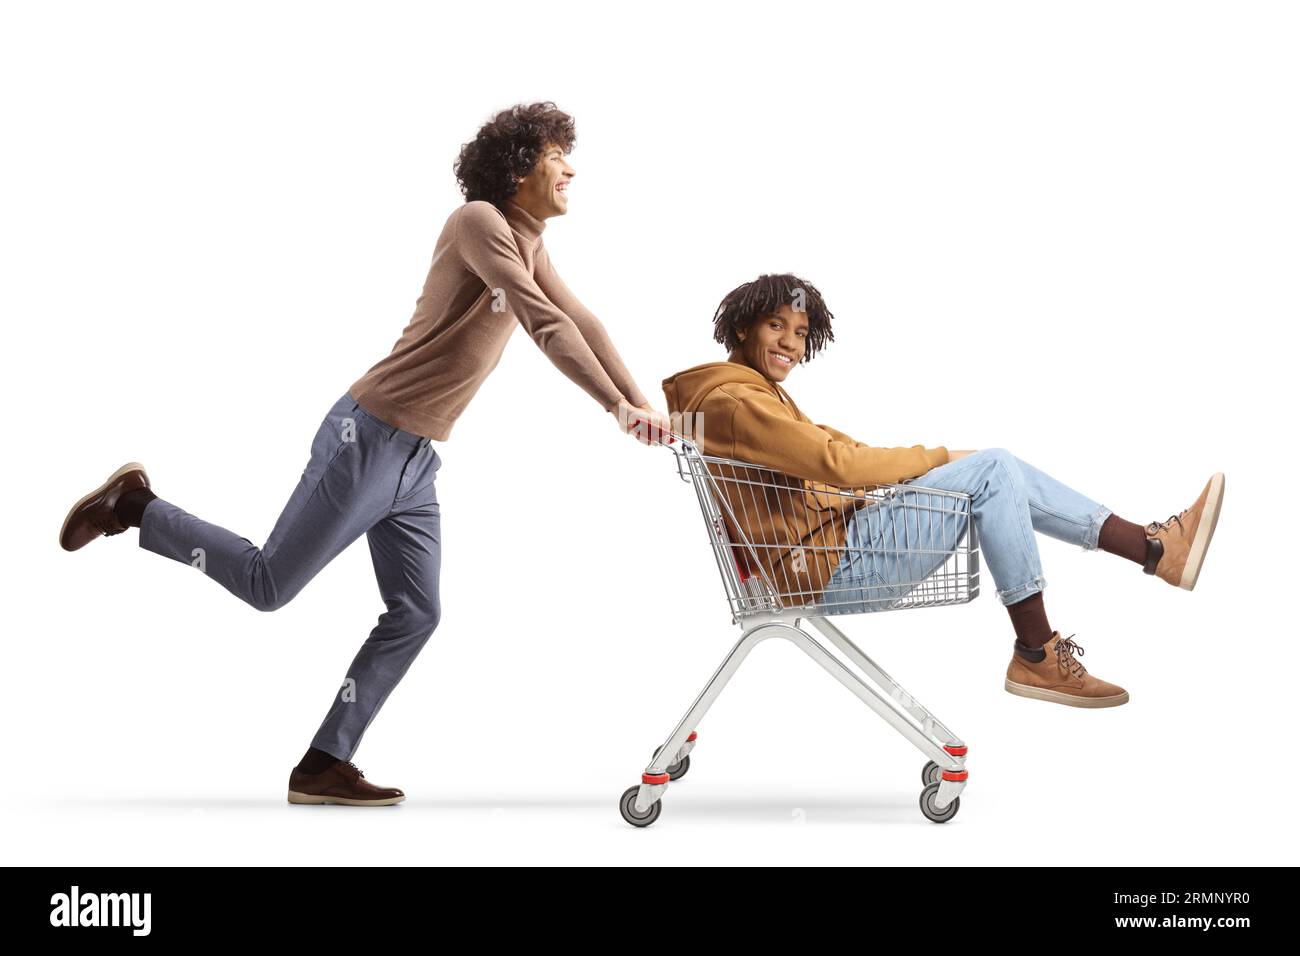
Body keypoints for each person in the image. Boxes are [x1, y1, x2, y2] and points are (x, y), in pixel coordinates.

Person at [58, 102, 671, 805]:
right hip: (369, 438)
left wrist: (638, 404)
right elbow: (542, 321)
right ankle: (135, 506)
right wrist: (613, 407)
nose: (570, 167)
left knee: (417, 611)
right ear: (516, 168)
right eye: (556, 153)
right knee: (268, 587)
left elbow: (580, 317)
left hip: (416, 462)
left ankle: (322, 764)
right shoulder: (478, 222)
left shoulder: (528, 241)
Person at [661, 273, 1224, 708]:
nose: (791, 343)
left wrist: (947, 459)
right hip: (834, 566)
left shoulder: (752, 395)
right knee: (994, 468)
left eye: (802, 334)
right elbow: (837, 463)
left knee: (992, 466)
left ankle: (1153, 549)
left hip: (837, 550)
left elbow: (840, 446)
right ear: (743, 327)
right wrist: (942, 459)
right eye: (776, 326)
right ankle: (1040, 647)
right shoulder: (737, 402)